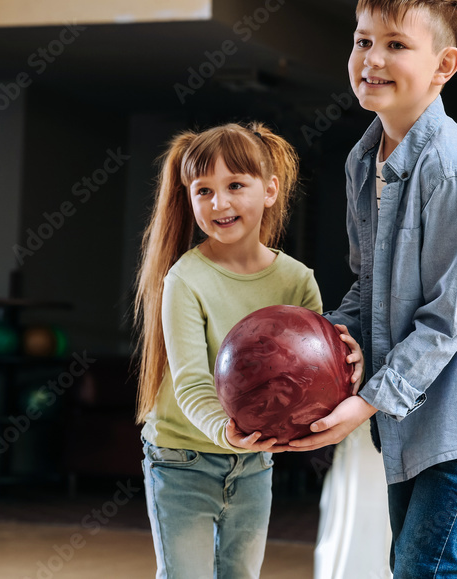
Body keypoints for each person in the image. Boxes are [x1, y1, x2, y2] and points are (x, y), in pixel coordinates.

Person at [289, 0, 457, 578]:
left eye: (397, 44)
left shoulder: (452, 170)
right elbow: (369, 283)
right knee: (408, 561)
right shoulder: (361, 159)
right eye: (362, 40)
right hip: (413, 399)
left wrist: (368, 401)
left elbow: (447, 315)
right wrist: (320, 345)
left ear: (443, 65)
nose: (372, 59)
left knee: (425, 564)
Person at [133, 122, 362, 579]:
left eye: (236, 185)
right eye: (204, 190)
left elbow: (314, 376)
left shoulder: (296, 280)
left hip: (254, 462)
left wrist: (348, 363)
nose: (220, 203)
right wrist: (226, 431)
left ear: (270, 190)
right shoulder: (184, 280)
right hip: (182, 459)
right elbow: (193, 382)